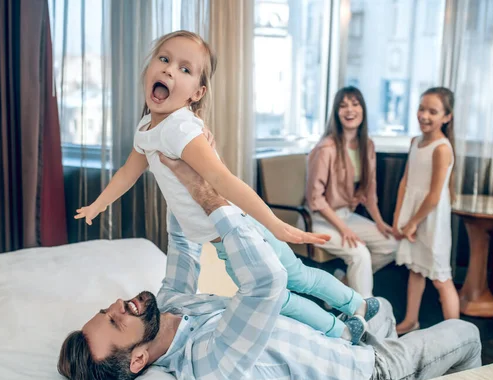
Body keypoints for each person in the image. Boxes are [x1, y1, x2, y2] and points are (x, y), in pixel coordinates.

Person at [58, 155, 482, 380]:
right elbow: (266, 284)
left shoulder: (171, 309)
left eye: (106, 309)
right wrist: (208, 196)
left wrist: (174, 171)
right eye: (116, 321)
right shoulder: (204, 365)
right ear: (136, 360)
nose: (118, 305)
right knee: (467, 333)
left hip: (343, 339)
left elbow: (184, 242)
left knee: (383, 309)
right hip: (364, 376)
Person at [74, 31, 379, 343]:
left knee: (278, 292)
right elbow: (129, 171)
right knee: (295, 276)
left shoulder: (180, 130)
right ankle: (357, 304)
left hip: (235, 231)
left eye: (184, 69)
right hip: (231, 231)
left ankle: (341, 330)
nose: (168, 69)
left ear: (197, 92)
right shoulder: (147, 128)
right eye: (164, 59)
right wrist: (99, 203)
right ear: (149, 67)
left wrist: (276, 225)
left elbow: (223, 181)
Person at [306, 87, 398, 298]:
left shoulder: (367, 146)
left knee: (392, 244)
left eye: (355, 104)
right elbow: (315, 199)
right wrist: (344, 229)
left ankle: (343, 285)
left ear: (363, 110)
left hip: (347, 216)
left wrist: (380, 223)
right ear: (336, 113)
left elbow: (370, 192)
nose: (350, 110)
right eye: (343, 105)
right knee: (360, 255)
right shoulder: (325, 148)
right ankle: (363, 314)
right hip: (321, 219)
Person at [393, 87, 460, 335]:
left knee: (441, 278)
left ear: (447, 117)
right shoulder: (415, 142)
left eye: (433, 111)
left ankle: (456, 335)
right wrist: (399, 218)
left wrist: (413, 222)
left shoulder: (442, 148)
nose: (424, 116)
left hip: (430, 219)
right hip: (412, 214)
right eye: (422, 109)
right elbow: (405, 183)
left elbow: (433, 196)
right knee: (415, 269)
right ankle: (411, 320)